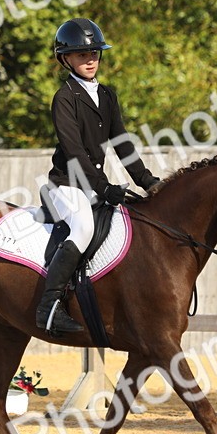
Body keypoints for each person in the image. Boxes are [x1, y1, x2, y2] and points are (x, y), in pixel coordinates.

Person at [36, 18, 161, 337]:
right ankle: (49, 306)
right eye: (81, 55)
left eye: (94, 52)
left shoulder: (107, 96)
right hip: (65, 184)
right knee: (84, 226)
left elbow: (122, 143)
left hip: (92, 186)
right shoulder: (64, 98)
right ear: (66, 59)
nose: (90, 59)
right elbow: (74, 150)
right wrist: (105, 188)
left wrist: (148, 182)